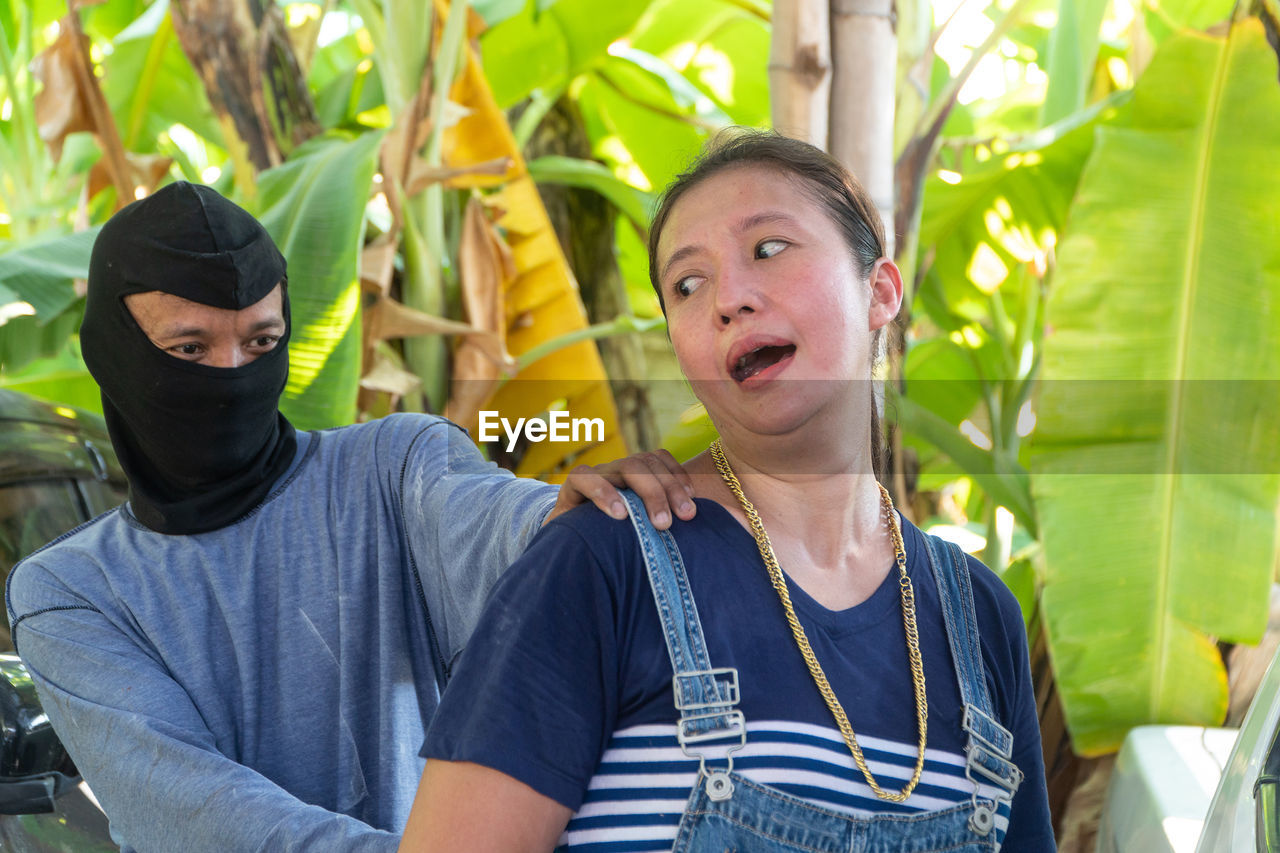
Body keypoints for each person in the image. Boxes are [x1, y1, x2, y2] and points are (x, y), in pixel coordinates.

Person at [401, 130, 1055, 852]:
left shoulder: (981, 619)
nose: (728, 300)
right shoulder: (601, 564)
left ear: (880, 291)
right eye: (688, 284)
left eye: (769, 248)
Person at [4, 181, 695, 853]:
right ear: (114, 354)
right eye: (190, 350)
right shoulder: (71, 590)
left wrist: (572, 515)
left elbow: (499, 523)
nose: (232, 372)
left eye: (261, 342)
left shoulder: (393, 465)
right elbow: (197, 815)